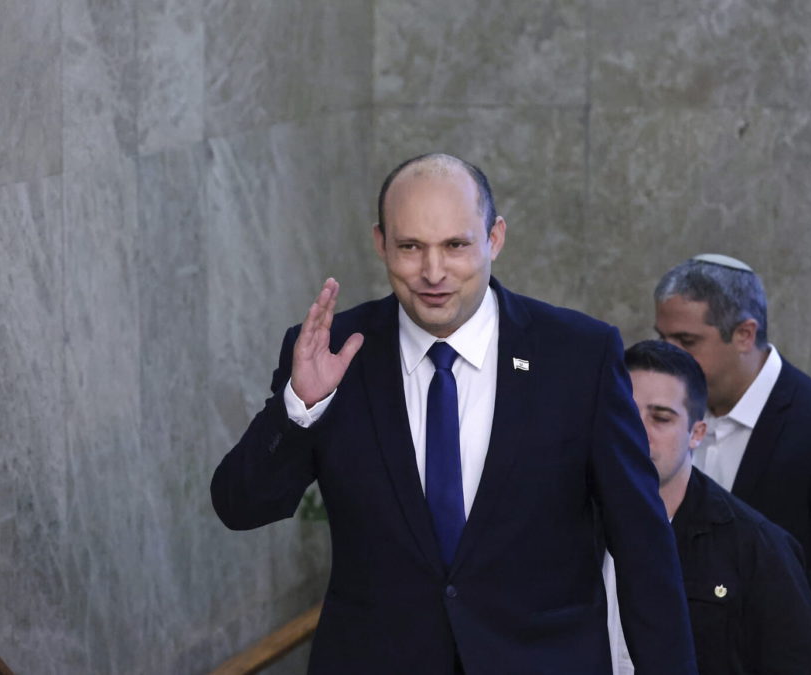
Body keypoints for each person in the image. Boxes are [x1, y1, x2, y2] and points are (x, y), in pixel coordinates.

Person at [211, 153, 695, 674]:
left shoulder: (579, 356)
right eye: (411, 247)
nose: (433, 272)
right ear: (381, 244)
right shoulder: (332, 354)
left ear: (495, 238)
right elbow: (240, 507)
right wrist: (300, 407)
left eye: (456, 245)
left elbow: (643, 547)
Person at [602, 340, 811, 675]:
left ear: (696, 433)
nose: (637, 432)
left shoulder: (755, 546)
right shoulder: (564, 525)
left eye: (660, 418)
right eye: (624, 413)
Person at [653, 254, 811, 566]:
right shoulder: (660, 413)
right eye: (662, 338)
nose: (668, 356)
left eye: (687, 341)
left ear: (744, 335)